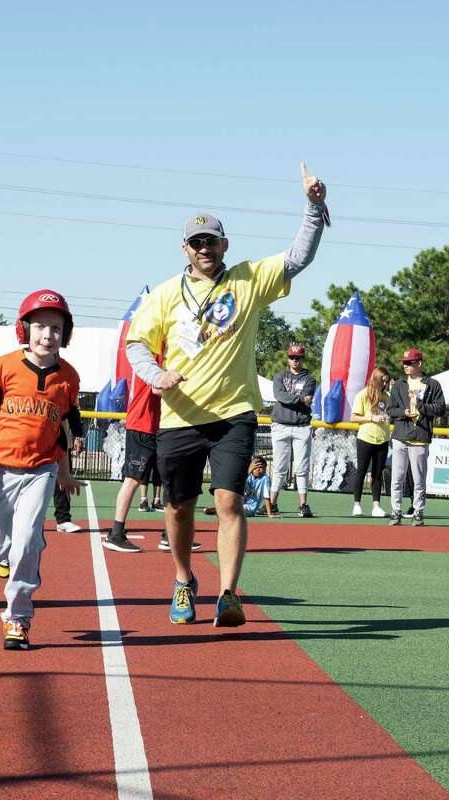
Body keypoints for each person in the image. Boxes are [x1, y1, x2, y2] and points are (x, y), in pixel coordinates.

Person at [125, 161, 328, 628]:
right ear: (185, 248)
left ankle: (229, 594)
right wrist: (155, 375)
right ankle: (182, 579)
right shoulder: (164, 294)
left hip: (235, 412)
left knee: (229, 502)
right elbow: (136, 343)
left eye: (211, 241)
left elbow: (298, 257)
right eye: (196, 242)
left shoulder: (247, 278)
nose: (204, 248)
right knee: (178, 507)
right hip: (180, 417)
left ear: (224, 244)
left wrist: (314, 207)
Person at [0, 290, 83, 650]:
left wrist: (63, 472)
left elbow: (61, 428)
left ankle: (17, 618)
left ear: (66, 333)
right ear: (25, 329)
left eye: (57, 328)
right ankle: (9, 554)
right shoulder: (2, 368)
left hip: (40, 470)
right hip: (0, 469)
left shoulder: (68, 377)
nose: (48, 335)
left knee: (28, 540)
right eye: (41, 326)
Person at [105, 353, 163, 553]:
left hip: (154, 426)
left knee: (173, 475)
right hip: (143, 425)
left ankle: (172, 533)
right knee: (133, 479)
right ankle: (116, 533)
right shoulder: (154, 355)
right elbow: (158, 388)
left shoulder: (161, 352)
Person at [387, 348, 446, 527]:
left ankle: (418, 512)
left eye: (409, 363)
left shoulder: (432, 384)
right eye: (404, 363)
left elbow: (440, 408)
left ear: (418, 364)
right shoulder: (398, 384)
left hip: (420, 436)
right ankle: (395, 512)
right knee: (397, 478)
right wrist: (403, 413)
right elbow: (390, 410)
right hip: (400, 436)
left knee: (419, 479)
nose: (405, 366)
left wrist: (420, 406)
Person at [269, 343, 317, 517]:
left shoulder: (310, 379)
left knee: (302, 468)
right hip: (281, 425)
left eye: (297, 357)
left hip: (301, 426)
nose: (294, 360)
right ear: (288, 358)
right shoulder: (280, 376)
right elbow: (280, 396)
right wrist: (300, 399)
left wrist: (295, 399)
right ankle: (272, 503)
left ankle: (303, 505)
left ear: (302, 359)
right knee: (279, 467)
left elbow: (308, 397)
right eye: (291, 357)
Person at [350, 366, 393, 517]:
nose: (384, 384)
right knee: (361, 471)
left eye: (386, 381)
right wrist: (371, 418)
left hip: (383, 438)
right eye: (382, 380)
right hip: (365, 438)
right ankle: (357, 504)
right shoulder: (363, 394)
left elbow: (391, 413)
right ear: (376, 378)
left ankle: (376, 506)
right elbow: (354, 417)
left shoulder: (387, 396)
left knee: (377, 473)